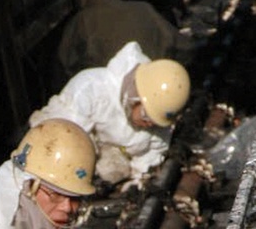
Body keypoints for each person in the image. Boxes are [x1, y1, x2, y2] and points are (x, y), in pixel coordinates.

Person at [31, 40, 190, 186]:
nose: (149, 124)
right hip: (56, 149)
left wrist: (137, 182)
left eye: (155, 122)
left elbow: (151, 156)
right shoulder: (89, 88)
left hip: (106, 156)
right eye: (146, 116)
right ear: (134, 97)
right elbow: (68, 140)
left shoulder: (158, 114)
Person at [54, 0, 193, 82]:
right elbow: (184, 48)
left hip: (110, 104)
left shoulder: (78, 23)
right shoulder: (144, 9)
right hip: (156, 92)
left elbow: (64, 72)